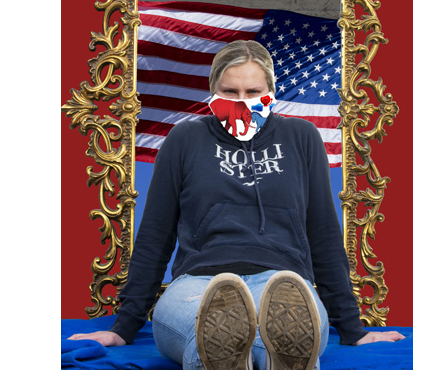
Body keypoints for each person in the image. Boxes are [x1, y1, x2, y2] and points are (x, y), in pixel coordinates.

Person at [69, 40, 404, 369]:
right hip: (199, 281)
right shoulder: (184, 139)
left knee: (277, 329)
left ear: (271, 90)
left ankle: (267, 356)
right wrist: (123, 329)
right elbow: (156, 234)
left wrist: (352, 330)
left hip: (285, 284)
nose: (242, 102)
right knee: (212, 328)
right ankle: (248, 355)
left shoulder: (302, 137)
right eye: (230, 92)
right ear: (213, 89)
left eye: (254, 92)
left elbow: (324, 234)